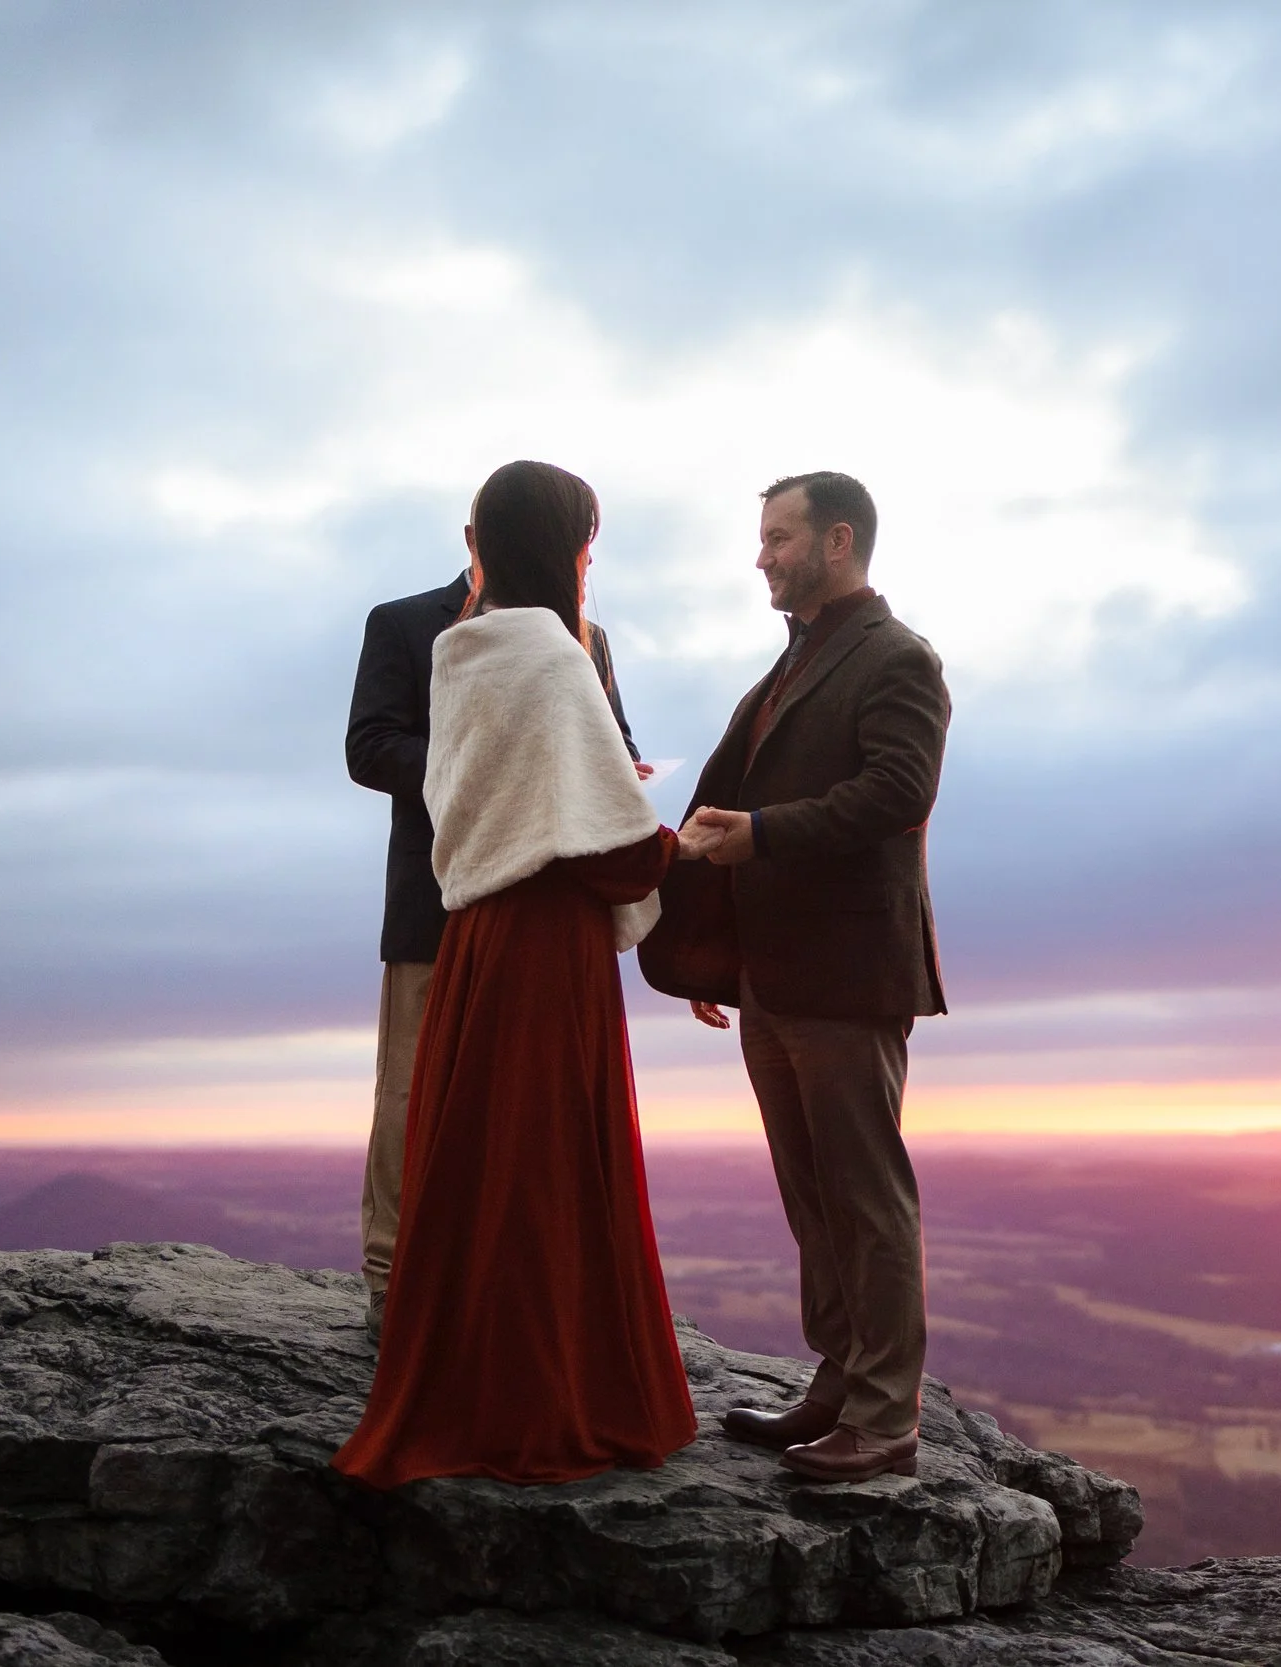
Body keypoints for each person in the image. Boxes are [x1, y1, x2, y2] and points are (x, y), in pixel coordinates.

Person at [330, 459, 700, 1489]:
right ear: (562, 543)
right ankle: (532, 1371)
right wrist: (674, 849)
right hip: (537, 930)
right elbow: (607, 840)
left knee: (470, 1130)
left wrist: (551, 773)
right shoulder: (537, 647)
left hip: (478, 913)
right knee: (536, 1149)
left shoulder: (473, 647)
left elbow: (590, 759)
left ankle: (445, 1343)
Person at [677, 471, 951, 1484]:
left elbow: (898, 791)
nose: (762, 556)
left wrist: (758, 835)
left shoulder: (897, 656)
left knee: (865, 1197)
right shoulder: (792, 665)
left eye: (778, 537)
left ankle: (884, 1417)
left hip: (846, 972)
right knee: (812, 1195)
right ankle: (838, 1380)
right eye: (762, 538)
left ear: (838, 541)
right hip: (773, 972)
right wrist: (712, 940)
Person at [344, 514, 644, 1341]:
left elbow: (614, 742)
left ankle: (508, 1290)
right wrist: (481, 762)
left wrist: (620, 768)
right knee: (411, 1092)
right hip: (436, 898)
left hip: (544, 902)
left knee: (528, 1105)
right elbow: (370, 747)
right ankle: (392, 1283)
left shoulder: (587, 640)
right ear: (476, 533)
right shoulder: (405, 623)